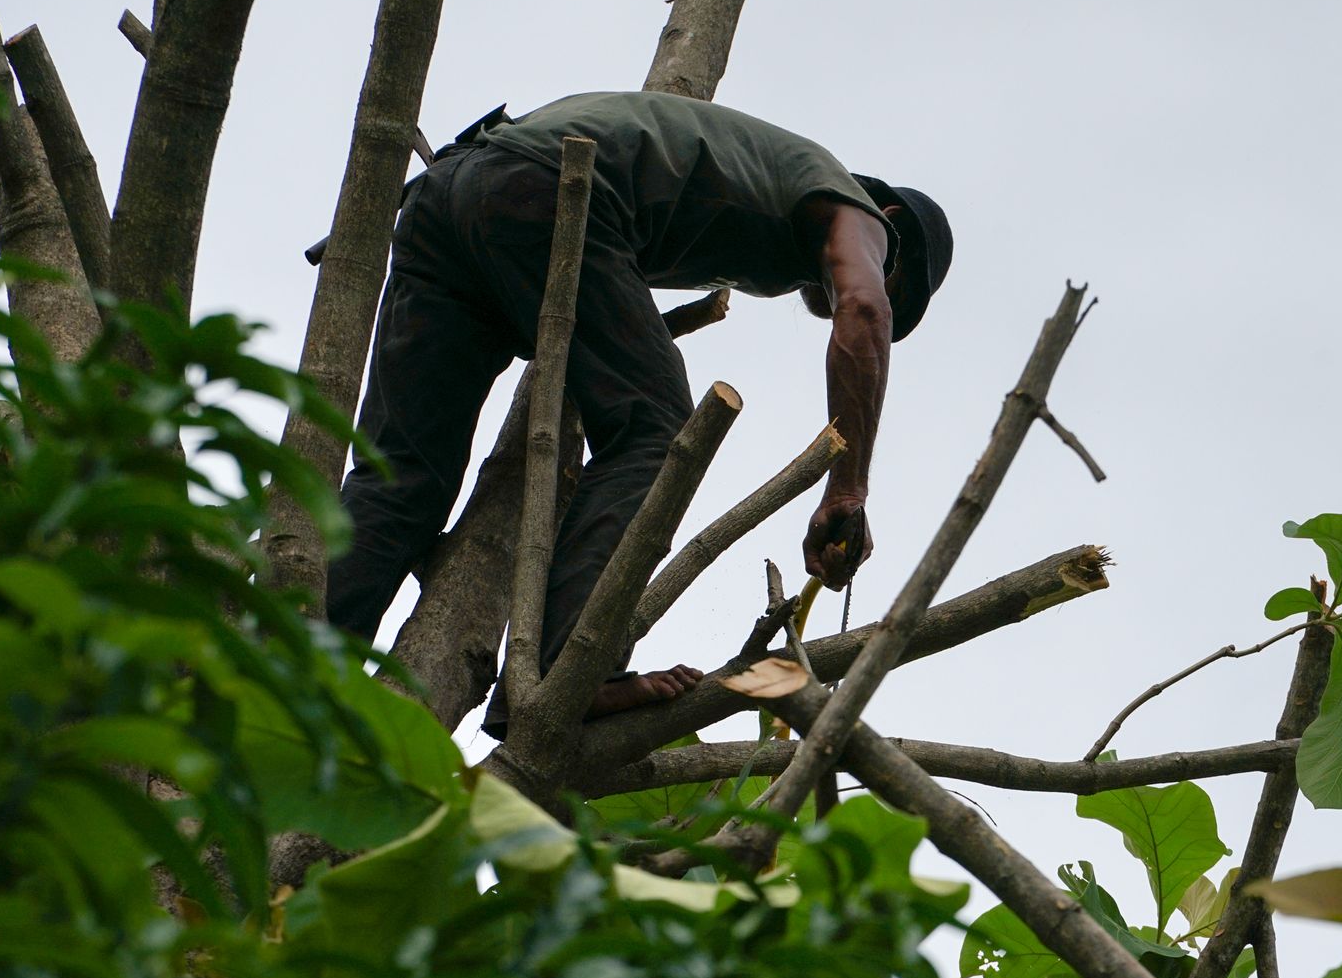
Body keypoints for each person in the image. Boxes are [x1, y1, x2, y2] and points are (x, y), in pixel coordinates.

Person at [324, 90, 953, 724]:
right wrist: (847, 489)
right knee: (657, 434)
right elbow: (865, 310)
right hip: (540, 188)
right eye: (896, 285)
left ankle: (285, 671)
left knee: (400, 478)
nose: (880, 295)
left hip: (445, 201)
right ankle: (566, 671)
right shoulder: (859, 212)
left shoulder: (766, 180)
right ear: (889, 221)